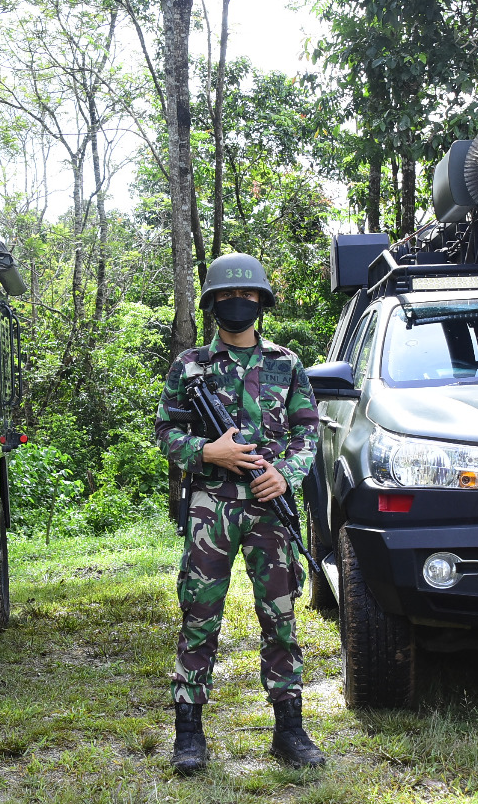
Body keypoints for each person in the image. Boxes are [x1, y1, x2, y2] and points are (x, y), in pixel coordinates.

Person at [154, 253, 326, 774]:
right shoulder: (190, 367)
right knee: (199, 616)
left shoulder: (286, 363)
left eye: (249, 296)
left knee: (280, 617)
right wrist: (209, 454)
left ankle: (289, 730)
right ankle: (189, 733)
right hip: (211, 508)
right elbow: (165, 432)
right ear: (212, 304)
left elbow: (308, 431)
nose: (239, 303)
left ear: (261, 303)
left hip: (268, 506)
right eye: (230, 296)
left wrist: (286, 474)